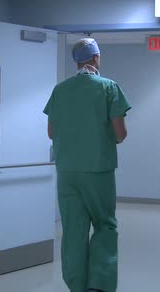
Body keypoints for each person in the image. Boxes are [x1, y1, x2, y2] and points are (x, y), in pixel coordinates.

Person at [43, 38, 131, 292]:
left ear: (77, 61)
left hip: (68, 172)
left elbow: (51, 132)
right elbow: (120, 133)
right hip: (98, 170)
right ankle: (100, 285)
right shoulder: (108, 88)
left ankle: (77, 285)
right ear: (95, 58)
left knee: (73, 230)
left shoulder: (60, 90)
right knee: (105, 225)